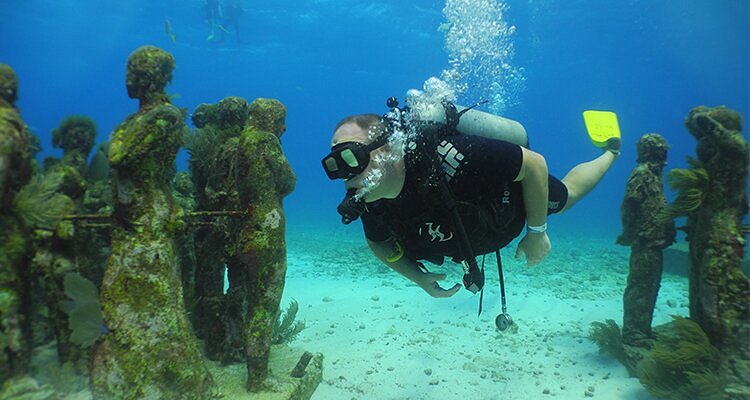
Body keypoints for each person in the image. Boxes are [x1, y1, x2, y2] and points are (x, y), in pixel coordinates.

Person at [323, 100, 620, 298]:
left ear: (388, 149)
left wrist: (537, 232)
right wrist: (417, 278)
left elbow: (535, 164)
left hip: (509, 203)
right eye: (334, 165)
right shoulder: (371, 197)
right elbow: (379, 242)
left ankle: (611, 150)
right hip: (473, 231)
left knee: (567, 197)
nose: (345, 175)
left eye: (351, 156)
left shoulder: (453, 156)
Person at [616, 133, 675, 347]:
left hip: (654, 243)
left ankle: (644, 329)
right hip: (644, 242)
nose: (664, 155)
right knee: (640, 287)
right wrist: (629, 233)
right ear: (650, 152)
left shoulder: (653, 176)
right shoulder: (642, 174)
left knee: (650, 287)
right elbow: (629, 204)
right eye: (660, 150)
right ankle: (633, 333)